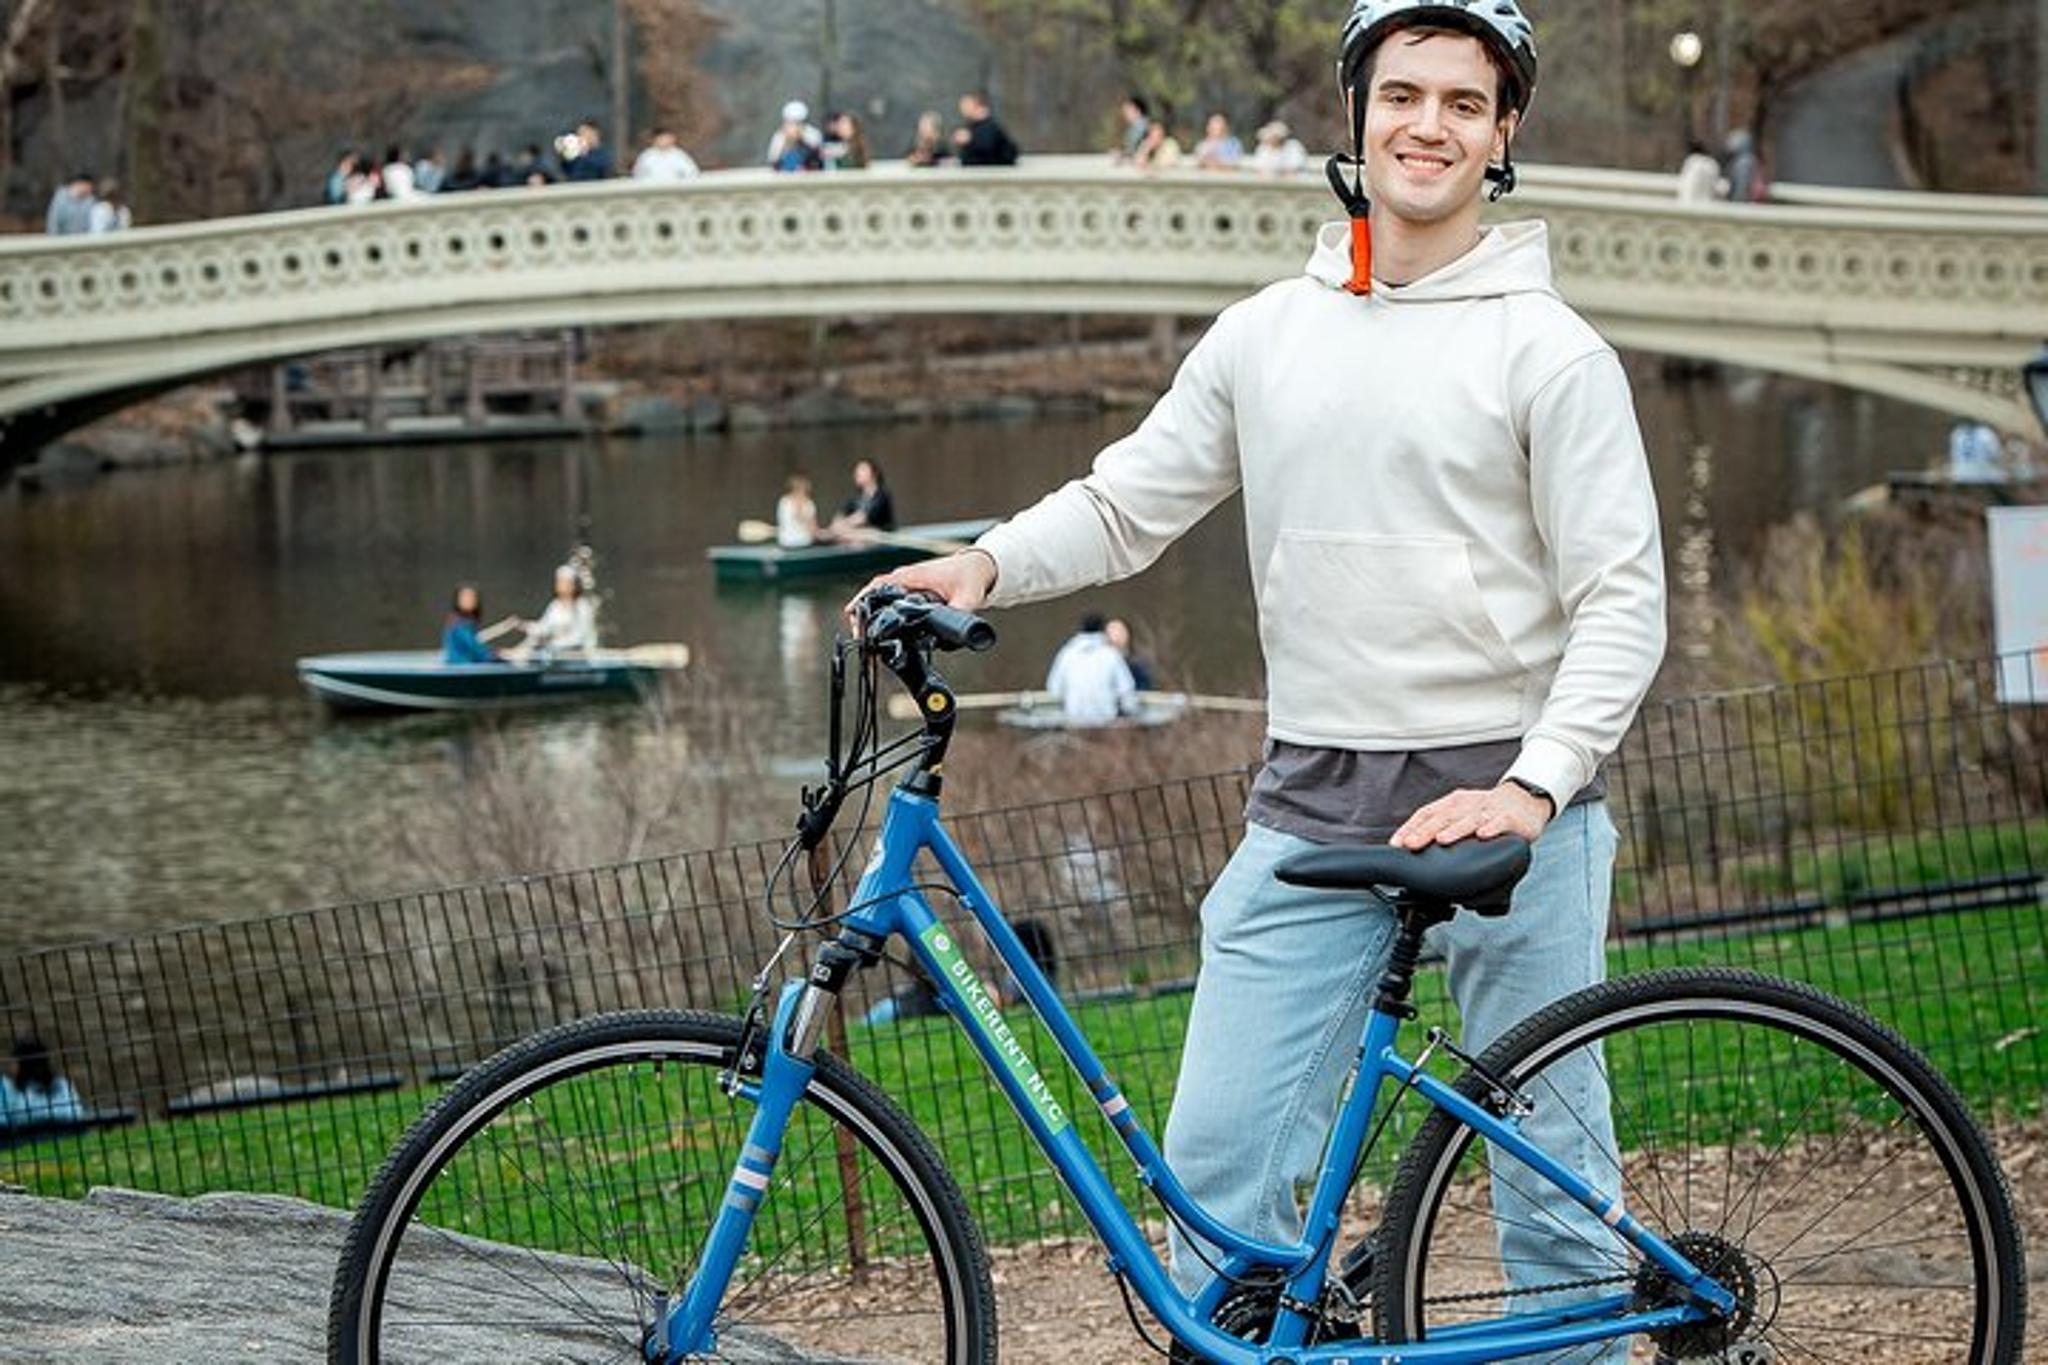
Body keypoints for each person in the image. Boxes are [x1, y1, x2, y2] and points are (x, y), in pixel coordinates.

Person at [863, 0, 1663, 1348]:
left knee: (1554, 1200)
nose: (1429, 125)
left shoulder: (1552, 353)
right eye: (1403, 94)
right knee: (1222, 1174)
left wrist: (1533, 788)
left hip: (1515, 814)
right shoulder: (1267, 334)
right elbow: (1129, 504)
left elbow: (1622, 602)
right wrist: (985, 566)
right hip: (1314, 802)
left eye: (1464, 104)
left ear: (1502, 133)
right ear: (1355, 112)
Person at [1045, 613, 1138, 725]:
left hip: (1074, 721)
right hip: (1105, 722)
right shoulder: (1111, 654)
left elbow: (1054, 689)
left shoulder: (1067, 653)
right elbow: (1127, 689)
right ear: (1103, 631)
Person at [0, 1034, 85, 1129]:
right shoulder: (63, 1083)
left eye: (13, 1062)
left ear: (23, 1064)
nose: (10, 1067)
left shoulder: (16, 1090)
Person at [519, 564, 599, 655]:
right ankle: (518, 654)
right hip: (555, 654)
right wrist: (525, 625)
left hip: (576, 656)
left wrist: (554, 643)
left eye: (565, 582)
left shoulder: (582, 607)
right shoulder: (555, 606)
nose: (561, 585)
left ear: (574, 585)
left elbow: (580, 637)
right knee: (534, 639)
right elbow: (544, 628)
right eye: (559, 582)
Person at [827, 458, 895, 538]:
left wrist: (844, 525)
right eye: (856, 471)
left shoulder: (882, 496)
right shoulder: (856, 500)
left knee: (860, 532)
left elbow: (863, 518)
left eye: (862, 470)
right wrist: (837, 525)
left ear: (874, 474)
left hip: (881, 537)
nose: (857, 473)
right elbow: (840, 515)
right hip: (860, 536)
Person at [952, 91, 1019, 167]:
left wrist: (970, 140)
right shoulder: (973, 127)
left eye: (967, 105)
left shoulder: (989, 127)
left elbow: (986, 149)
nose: (963, 109)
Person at [442, 585, 501, 665]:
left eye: (472, 597)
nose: (468, 600)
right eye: (465, 597)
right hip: (462, 670)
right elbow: (475, 649)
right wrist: (498, 654)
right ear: (457, 600)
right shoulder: (458, 623)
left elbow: (476, 643)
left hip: (465, 666)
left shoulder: (468, 621)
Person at [767, 100, 824, 172]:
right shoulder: (779, 137)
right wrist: (788, 143)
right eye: (790, 123)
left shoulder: (813, 134)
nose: (793, 127)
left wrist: (801, 138)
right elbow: (773, 160)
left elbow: (818, 155)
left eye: (797, 123)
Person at [1103, 617, 1154, 692]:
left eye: (1119, 631)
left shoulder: (1138, 663)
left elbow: (1145, 688)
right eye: (1111, 632)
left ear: (1127, 634)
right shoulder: (1098, 663)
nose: (1115, 636)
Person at [633, 127, 702, 181]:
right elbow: (638, 175)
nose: (664, 141)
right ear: (654, 140)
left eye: (667, 138)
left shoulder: (680, 156)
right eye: (661, 138)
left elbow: (692, 174)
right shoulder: (646, 156)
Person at [776, 474, 822, 548]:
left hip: (784, 541)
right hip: (801, 541)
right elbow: (805, 520)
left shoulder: (783, 501)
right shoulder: (808, 503)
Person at [44, 171, 96, 236]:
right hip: (63, 242)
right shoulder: (60, 200)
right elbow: (53, 225)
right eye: (88, 187)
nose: (90, 190)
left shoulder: (91, 201)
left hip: (84, 242)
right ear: (79, 184)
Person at [1724, 127, 1763, 203]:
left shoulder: (1744, 162)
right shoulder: (1750, 159)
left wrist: (1736, 203)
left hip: (1743, 203)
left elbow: (1741, 186)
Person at [1115, 94, 1152, 162]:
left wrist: (1123, 154)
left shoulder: (1142, 127)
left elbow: (1133, 149)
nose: (1124, 113)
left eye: (1127, 110)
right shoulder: (1134, 128)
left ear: (1137, 110)